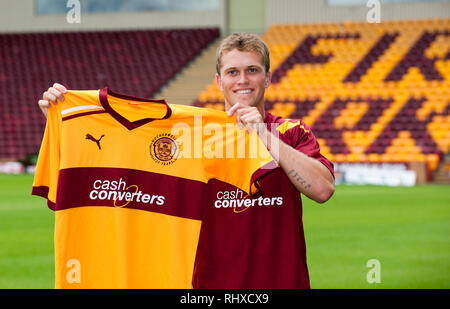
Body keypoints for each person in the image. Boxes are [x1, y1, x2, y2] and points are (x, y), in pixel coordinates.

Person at [38, 33, 335, 288]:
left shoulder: (290, 132)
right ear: (218, 81)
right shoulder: (190, 137)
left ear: (268, 78)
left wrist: (263, 134)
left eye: (252, 70)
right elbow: (125, 170)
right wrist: (68, 124)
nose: (242, 80)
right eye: (232, 72)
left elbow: (322, 190)